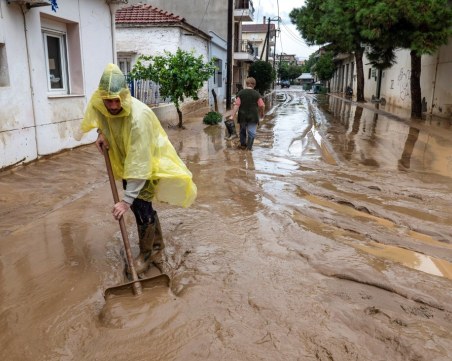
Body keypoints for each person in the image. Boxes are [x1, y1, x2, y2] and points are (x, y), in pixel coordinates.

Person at [80, 63, 197, 275]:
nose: (113, 105)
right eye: (109, 101)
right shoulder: (102, 105)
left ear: (125, 96)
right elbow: (104, 120)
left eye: (117, 100)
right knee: (142, 207)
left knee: (140, 210)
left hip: (148, 166)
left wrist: (126, 200)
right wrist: (101, 134)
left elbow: (140, 162)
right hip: (129, 165)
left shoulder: (138, 117)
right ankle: (158, 246)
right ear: (102, 97)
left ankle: (146, 255)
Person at [228, 77, 265, 150]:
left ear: (246, 84)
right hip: (253, 117)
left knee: (242, 130)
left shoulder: (241, 93)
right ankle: (249, 148)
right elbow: (262, 105)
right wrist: (262, 113)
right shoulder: (257, 94)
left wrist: (232, 115)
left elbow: (237, 105)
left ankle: (243, 145)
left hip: (242, 116)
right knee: (251, 132)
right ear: (254, 85)